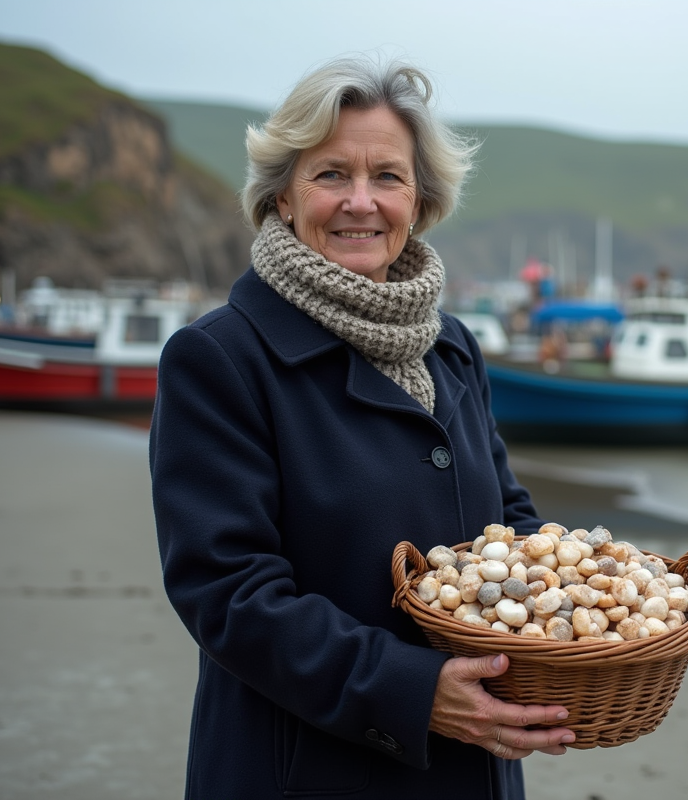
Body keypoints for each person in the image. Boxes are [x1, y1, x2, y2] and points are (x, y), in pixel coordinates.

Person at [149, 58, 574, 800]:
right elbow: (227, 591)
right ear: (282, 196)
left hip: (475, 763)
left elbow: (508, 521)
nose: (361, 202)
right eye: (330, 175)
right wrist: (412, 689)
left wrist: (575, 607)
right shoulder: (220, 357)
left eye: (387, 176)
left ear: (420, 198)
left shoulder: (453, 346)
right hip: (307, 768)